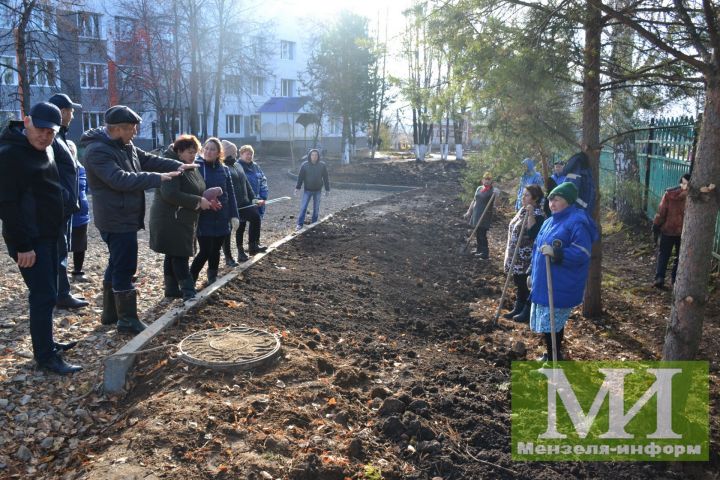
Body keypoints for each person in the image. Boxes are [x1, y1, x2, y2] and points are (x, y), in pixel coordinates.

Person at [81, 105, 192, 334]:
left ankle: (111, 313)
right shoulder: (98, 151)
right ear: (118, 129)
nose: (136, 132)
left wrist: (177, 165)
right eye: (132, 128)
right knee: (124, 265)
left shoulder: (124, 144)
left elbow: (147, 159)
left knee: (116, 262)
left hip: (125, 216)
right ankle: (127, 319)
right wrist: (158, 178)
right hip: (115, 217)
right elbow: (119, 179)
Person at [0, 102, 82, 374]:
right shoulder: (11, 154)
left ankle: (46, 342)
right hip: (30, 240)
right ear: (27, 121)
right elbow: (8, 205)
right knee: (43, 295)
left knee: (49, 291)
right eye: (40, 129)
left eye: (51, 131)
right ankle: (46, 358)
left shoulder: (45, 147)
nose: (45, 135)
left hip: (49, 233)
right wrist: (22, 245)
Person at [529, 182, 598, 361]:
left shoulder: (577, 222)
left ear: (568, 201)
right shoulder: (549, 221)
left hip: (560, 283)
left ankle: (555, 357)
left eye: (557, 199)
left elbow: (582, 253)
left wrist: (556, 252)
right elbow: (537, 247)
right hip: (545, 282)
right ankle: (551, 353)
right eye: (550, 199)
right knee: (548, 323)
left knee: (553, 323)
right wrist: (532, 272)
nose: (552, 203)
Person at [149, 135, 210, 300]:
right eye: (190, 152)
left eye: (195, 153)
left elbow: (197, 186)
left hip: (183, 216)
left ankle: (171, 288)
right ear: (179, 151)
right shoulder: (170, 165)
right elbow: (170, 194)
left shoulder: (189, 165)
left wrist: (207, 197)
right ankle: (189, 291)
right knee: (179, 254)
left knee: (172, 252)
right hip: (170, 218)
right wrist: (198, 201)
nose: (193, 156)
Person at [48, 93, 89, 309]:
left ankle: (60, 292)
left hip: (65, 206)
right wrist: (64, 198)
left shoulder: (61, 136)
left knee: (61, 249)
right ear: (63, 112)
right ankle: (61, 294)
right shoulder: (53, 138)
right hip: (58, 207)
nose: (73, 115)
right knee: (59, 251)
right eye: (71, 111)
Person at [191, 137, 239, 285]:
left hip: (221, 216)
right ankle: (190, 279)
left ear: (219, 153)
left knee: (216, 250)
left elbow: (230, 194)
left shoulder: (224, 169)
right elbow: (192, 190)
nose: (208, 151)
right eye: (206, 148)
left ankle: (212, 276)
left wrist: (234, 215)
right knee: (205, 250)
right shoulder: (195, 167)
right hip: (204, 216)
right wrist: (204, 200)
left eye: (212, 149)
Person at [502, 184, 546, 322]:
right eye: (523, 194)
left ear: (535, 198)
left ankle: (527, 311)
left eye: (527, 195)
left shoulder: (539, 215)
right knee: (518, 282)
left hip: (526, 256)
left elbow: (533, 233)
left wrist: (531, 214)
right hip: (516, 254)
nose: (523, 197)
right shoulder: (521, 210)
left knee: (525, 283)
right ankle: (518, 307)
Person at [223, 142, 266, 263]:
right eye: (233, 152)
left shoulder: (237, 166)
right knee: (233, 229)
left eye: (235, 152)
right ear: (225, 152)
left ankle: (253, 246)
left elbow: (246, 184)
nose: (235, 154)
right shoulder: (223, 167)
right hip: (232, 205)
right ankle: (231, 255)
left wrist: (254, 198)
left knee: (256, 217)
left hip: (245, 202)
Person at [652, 174, 690, 288]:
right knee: (680, 257)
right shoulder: (693, 197)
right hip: (684, 232)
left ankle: (660, 278)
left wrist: (656, 224)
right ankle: (675, 281)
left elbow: (661, 211)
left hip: (668, 229)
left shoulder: (669, 194)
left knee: (664, 254)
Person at [66, 140, 91, 283]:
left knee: (80, 244)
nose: (70, 151)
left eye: (72, 149)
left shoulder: (81, 168)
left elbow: (85, 189)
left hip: (81, 214)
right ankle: (60, 273)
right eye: (67, 149)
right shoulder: (58, 167)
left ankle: (78, 271)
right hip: (65, 213)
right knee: (62, 246)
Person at [237, 144, 268, 255]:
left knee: (256, 220)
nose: (249, 156)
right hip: (244, 202)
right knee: (241, 225)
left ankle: (254, 244)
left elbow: (263, 181)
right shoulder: (237, 166)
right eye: (247, 154)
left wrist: (263, 196)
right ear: (241, 154)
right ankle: (240, 250)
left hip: (257, 200)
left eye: (251, 154)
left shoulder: (256, 167)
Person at [464, 172, 499, 259]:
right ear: (482, 180)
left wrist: (497, 195)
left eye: (489, 180)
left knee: (482, 233)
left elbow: (495, 205)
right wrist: (469, 211)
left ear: (491, 181)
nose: (486, 181)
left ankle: (485, 253)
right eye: (485, 179)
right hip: (476, 213)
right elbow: (474, 200)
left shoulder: (492, 191)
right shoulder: (479, 188)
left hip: (485, 216)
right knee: (477, 232)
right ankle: (479, 250)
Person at [295, 148, 330, 231]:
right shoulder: (305, 165)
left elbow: (325, 178)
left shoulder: (322, 165)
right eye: (312, 155)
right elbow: (300, 177)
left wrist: (327, 189)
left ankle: (314, 223)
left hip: (318, 191)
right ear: (309, 156)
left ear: (318, 156)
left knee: (316, 208)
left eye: (316, 155)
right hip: (307, 190)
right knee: (303, 207)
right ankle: (299, 224)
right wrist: (297, 187)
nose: (314, 156)